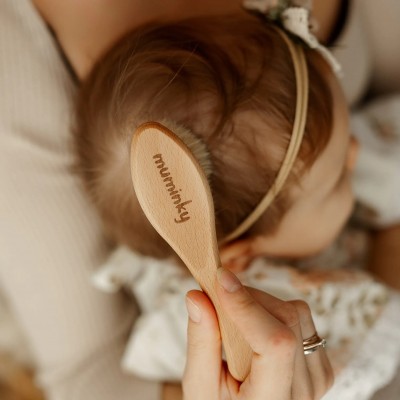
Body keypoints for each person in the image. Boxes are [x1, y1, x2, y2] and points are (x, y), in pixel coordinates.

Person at [0, 1, 399, 400]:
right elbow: (89, 373)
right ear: (239, 253)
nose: (356, 154)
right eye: (336, 183)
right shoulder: (189, 334)